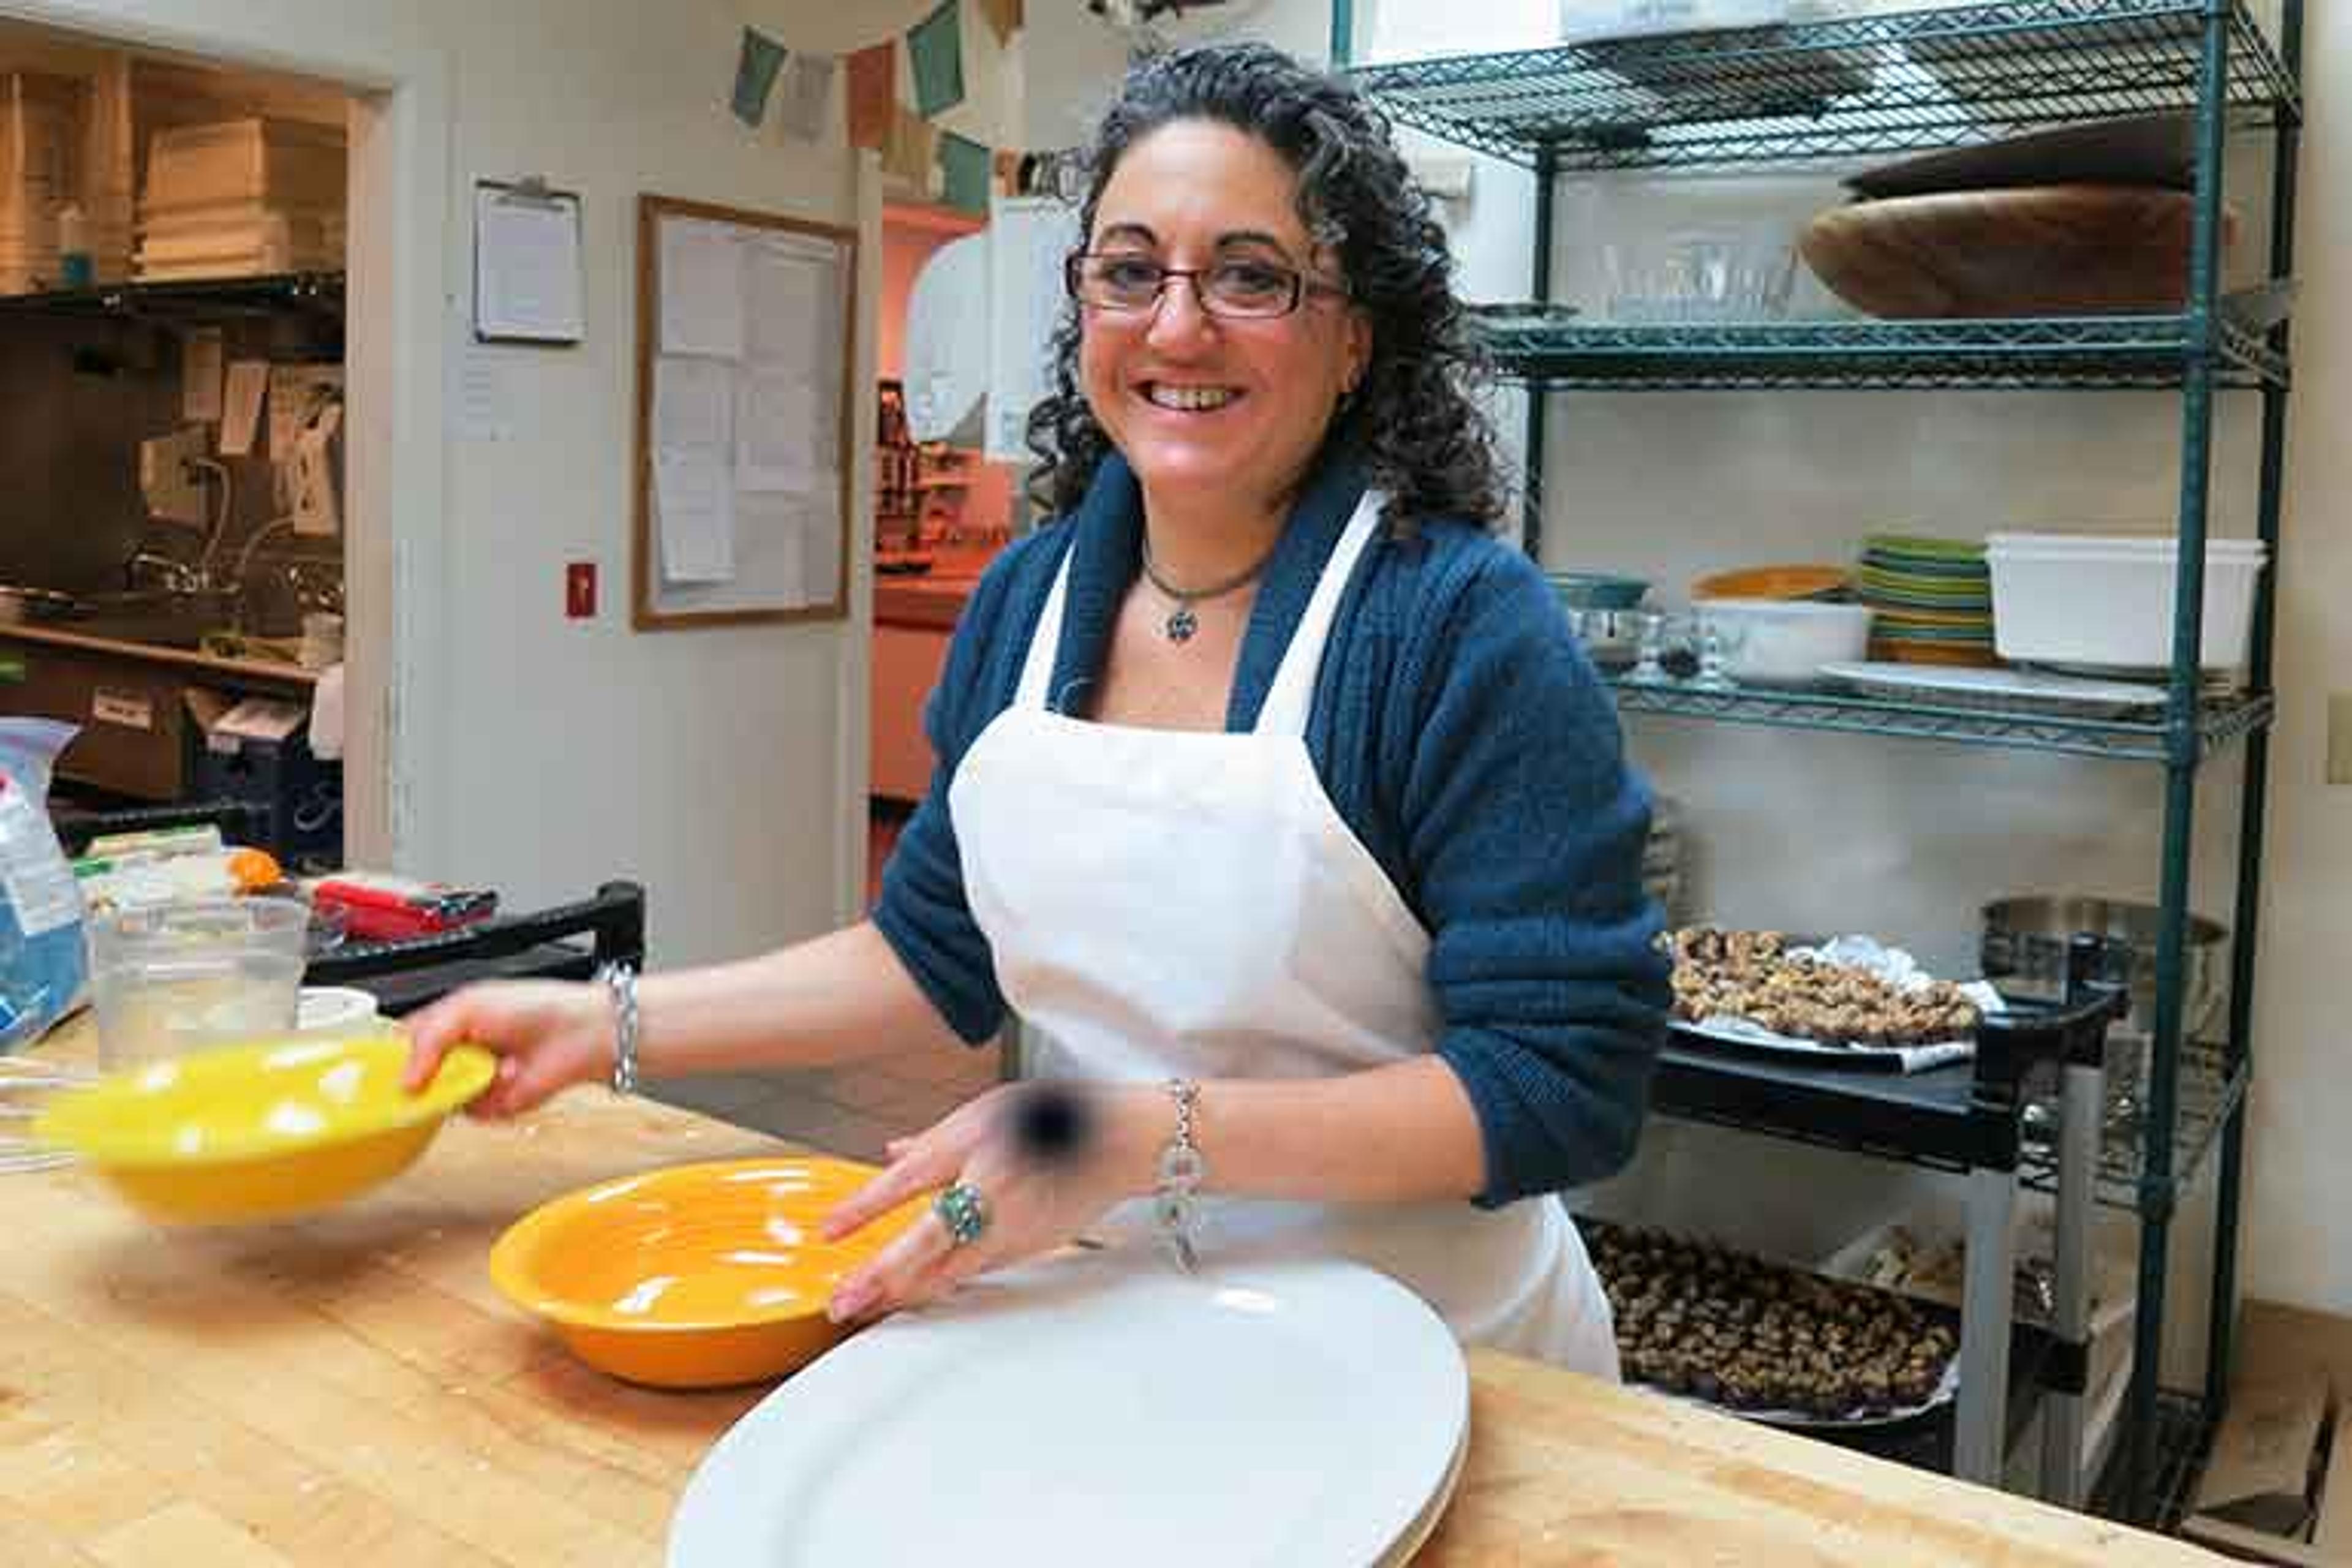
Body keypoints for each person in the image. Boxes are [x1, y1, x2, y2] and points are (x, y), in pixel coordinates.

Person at [405, 40, 1668, 1378]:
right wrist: (608, 1020)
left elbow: (1559, 1084)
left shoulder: (1456, 630)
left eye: (1251, 275)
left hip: (1437, 1354)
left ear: (1355, 338)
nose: (1178, 327)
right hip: (1112, 1319)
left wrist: (1133, 1136)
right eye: (1130, 271)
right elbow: (928, 953)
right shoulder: (1031, 600)